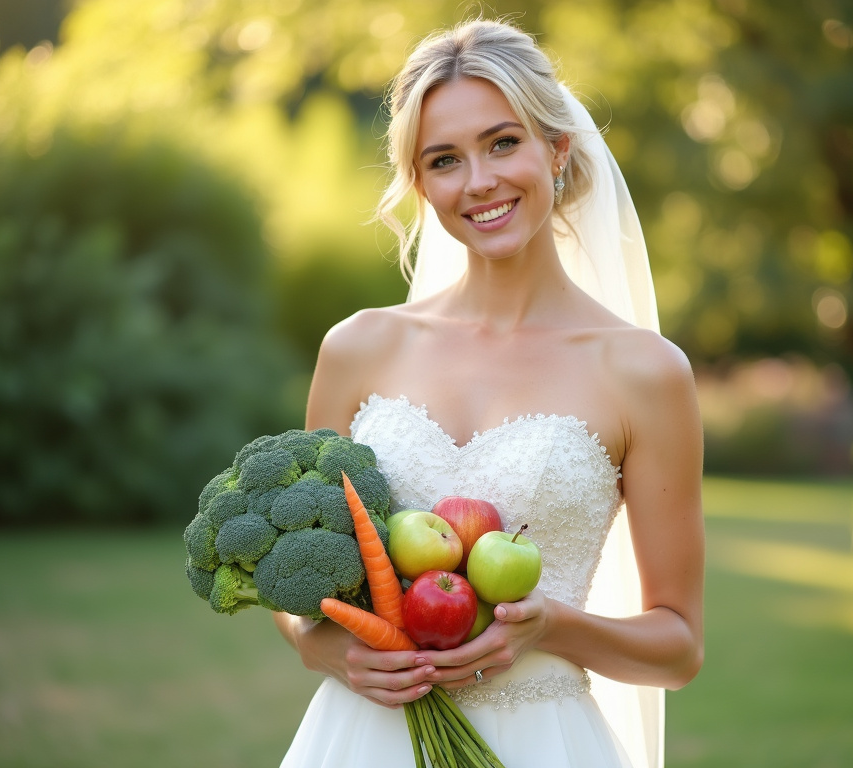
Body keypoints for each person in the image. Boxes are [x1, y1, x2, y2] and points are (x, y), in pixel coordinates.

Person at [272, 18, 704, 768]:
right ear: (421, 183)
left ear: (557, 150)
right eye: (444, 160)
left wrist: (552, 627)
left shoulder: (645, 372)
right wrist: (324, 648)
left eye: (504, 143)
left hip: (543, 742)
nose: (479, 182)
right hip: (361, 739)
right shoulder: (357, 349)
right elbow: (298, 569)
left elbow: (677, 647)